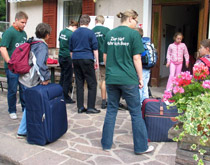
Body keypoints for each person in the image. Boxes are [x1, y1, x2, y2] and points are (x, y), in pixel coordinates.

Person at [101, 9, 154, 154]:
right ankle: (141, 147)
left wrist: (111, 70)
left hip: (112, 78)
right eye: (136, 20)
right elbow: (137, 58)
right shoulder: (133, 34)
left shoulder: (110, 34)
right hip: (129, 79)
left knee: (111, 110)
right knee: (135, 112)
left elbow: (105, 57)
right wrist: (141, 78)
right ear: (130, 19)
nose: (137, 23)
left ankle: (106, 144)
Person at [17, 23, 51, 138]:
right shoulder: (41, 46)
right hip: (31, 79)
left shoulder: (31, 41)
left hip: (23, 77)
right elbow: (39, 63)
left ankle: (29, 128)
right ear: (46, 35)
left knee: (29, 105)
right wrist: (45, 78)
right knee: (31, 106)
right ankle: (22, 130)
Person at [70, 14, 100, 114]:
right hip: (87, 58)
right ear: (88, 22)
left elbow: (71, 50)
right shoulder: (91, 33)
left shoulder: (74, 33)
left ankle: (80, 107)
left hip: (76, 59)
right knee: (92, 83)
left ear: (80, 22)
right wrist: (97, 61)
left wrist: (73, 61)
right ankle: (91, 107)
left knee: (79, 83)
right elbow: (95, 48)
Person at [0, 11, 28, 120]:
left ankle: (25, 108)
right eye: (22, 22)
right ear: (16, 20)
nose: (24, 25)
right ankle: (12, 110)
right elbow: (3, 48)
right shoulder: (9, 32)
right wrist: (9, 62)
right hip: (12, 68)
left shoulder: (24, 34)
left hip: (22, 68)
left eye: (25, 23)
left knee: (23, 89)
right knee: (12, 89)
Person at [92, 15, 110, 109]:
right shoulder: (107, 30)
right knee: (107, 79)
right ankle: (107, 100)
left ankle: (103, 100)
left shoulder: (92, 30)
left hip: (95, 58)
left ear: (96, 21)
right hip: (106, 57)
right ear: (103, 21)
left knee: (102, 79)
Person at [58, 20, 78, 104]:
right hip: (68, 57)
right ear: (74, 27)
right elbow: (72, 48)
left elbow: (59, 43)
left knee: (62, 76)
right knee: (68, 78)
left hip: (61, 56)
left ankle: (59, 94)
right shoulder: (71, 34)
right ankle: (65, 96)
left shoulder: (62, 31)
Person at [135, 27, 151, 104]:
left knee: (140, 86)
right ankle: (146, 104)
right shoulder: (147, 42)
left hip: (141, 67)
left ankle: (140, 104)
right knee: (145, 86)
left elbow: (137, 58)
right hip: (148, 67)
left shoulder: (138, 43)